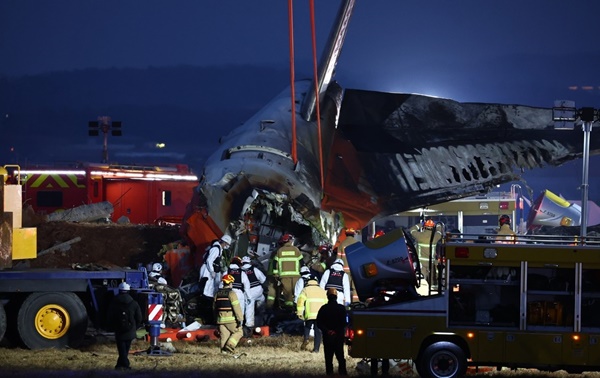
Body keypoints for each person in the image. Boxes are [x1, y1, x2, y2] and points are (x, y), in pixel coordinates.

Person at [107, 282, 143, 370]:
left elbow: (110, 316)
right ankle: (123, 365)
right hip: (130, 330)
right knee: (125, 348)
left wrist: (112, 326)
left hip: (119, 329)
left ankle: (122, 365)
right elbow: (139, 317)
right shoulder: (134, 303)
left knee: (121, 349)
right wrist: (135, 326)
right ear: (128, 291)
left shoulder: (114, 302)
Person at [316, 287, 348, 376]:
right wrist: (337, 331)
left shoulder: (323, 308)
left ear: (327, 297)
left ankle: (329, 374)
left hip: (327, 337)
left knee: (328, 357)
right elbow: (344, 323)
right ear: (336, 297)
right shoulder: (341, 308)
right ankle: (343, 373)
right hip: (338, 336)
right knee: (340, 356)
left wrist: (327, 331)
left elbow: (319, 322)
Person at [214, 274, 245, 357]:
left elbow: (214, 307)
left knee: (224, 336)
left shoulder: (217, 293)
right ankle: (230, 346)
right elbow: (236, 307)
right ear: (230, 283)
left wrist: (216, 319)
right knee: (239, 332)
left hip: (220, 320)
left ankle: (224, 353)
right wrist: (240, 319)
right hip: (231, 319)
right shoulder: (232, 293)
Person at [271, 233, 304, 309]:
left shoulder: (280, 251)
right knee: (297, 293)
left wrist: (275, 274)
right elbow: (302, 262)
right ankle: (297, 309)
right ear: (290, 241)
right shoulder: (296, 250)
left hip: (284, 277)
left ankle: (289, 310)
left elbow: (274, 263)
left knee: (287, 295)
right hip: (296, 277)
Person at [296, 276, 327, 353]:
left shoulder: (305, 290)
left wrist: (299, 313)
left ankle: (306, 338)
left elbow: (300, 302)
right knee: (318, 331)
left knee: (307, 327)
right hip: (320, 315)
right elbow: (326, 303)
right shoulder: (322, 291)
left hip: (309, 314)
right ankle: (316, 349)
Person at [409, 218, 442, 286]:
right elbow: (439, 232)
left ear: (424, 227)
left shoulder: (420, 236)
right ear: (433, 228)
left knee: (422, 282)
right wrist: (438, 225)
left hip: (421, 262)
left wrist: (421, 224)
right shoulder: (436, 237)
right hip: (432, 263)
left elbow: (412, 230)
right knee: (432, 282)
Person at [199, 234, 232, 300]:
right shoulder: (216, 249)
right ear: (224, 242)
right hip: (207, 271)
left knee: (208, 290)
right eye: (227, 244)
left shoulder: (218, 249)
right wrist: (211, 271)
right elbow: (209, 261)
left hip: (208, 270)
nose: (227, 246)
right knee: (205, 289)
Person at [223, 256, 251, 330]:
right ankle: (239, 327)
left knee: (229, 310)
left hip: (228, 293)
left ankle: (229, 326)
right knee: (239, 310)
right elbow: (246, 285)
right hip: (239, 293)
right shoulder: (242, 272)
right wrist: (249, 297)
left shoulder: (227, 271)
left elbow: (221, 283)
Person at [241, 255, 267, 329]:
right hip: (258, 290)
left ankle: (249, 324)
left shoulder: (240, 271)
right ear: (250, 262)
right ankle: (261, 317)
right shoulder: (254, 269)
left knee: (249, 307)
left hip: (248, 292)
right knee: (262, 300)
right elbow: (263, 280)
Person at [336, 228, 359, 302]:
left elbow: (338, 259)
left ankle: (345, 303)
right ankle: (356, 303)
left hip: (345, 270)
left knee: (345, 287)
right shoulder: (357, 244)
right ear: (353, 234)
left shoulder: (342, 244)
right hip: (356, 269)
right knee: (355, 287)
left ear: (346, 234)